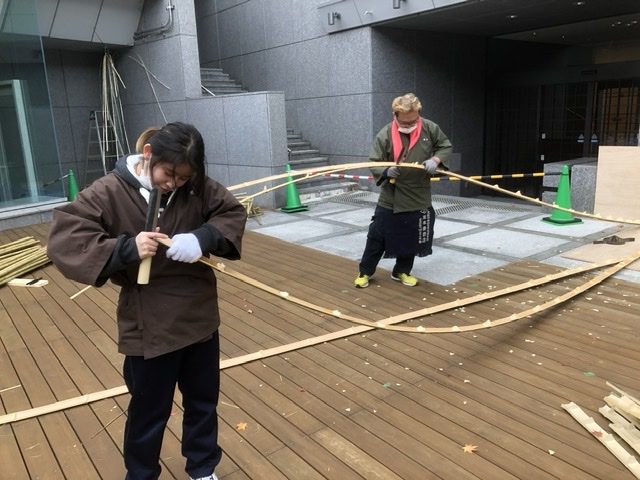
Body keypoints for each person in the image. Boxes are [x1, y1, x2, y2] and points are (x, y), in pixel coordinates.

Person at [47, 122, 247, 480]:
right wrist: (127, 248)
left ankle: (202, 468)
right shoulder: (108, 190)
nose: (174, 184)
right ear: (149, 154)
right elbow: (66, 238)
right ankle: (141, 475)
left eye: (184, 178)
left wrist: (203, 237)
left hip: (198, 312)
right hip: (147, 319)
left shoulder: (196, 186)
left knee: (202, 400)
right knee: (149, 409)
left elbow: (230, 212)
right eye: (168, 174)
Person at [354, 93, 452, 288]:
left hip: (418, 193)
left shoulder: (429, 128)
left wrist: (436, 160)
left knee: (411, 236)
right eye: (405, 122)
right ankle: (365, 271)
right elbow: (373, 161)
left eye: (413, 121)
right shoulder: (385, 134)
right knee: (377, 235)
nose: (409, 125)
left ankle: (401, 271)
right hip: (392, 195)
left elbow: (445, 146)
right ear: (395, 115)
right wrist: (385, 170)